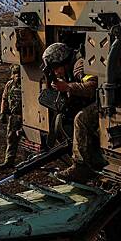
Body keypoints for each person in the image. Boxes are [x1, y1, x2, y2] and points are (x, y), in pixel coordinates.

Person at [41, 42, 101, 183]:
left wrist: (67, 86)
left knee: (81, 118)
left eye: (56, 68)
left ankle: (82, 167)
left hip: (105, 101)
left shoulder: (79, 66)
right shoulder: (70, 68)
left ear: (63, 60)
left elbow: (93, 86)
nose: (56, 72)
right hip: (95, 100)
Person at [0, 64, 22, 170]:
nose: (17, 76)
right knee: (11, 138)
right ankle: (9, 160)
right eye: (15, 74)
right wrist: (3, 113)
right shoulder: (9, 85)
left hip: (25, 117)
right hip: (14, 116)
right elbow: (4, 98)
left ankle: (30, 160)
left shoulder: (26, 85)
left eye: (19, 74)